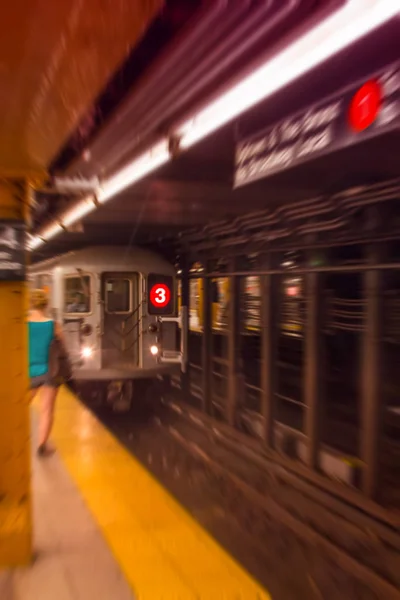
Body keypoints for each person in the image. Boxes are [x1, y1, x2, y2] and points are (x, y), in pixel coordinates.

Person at [28, 289, 63, 456]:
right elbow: (61, 344)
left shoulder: (23, 323)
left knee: (18, 408)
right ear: (45, 305)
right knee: (46, 410)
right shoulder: (53, 324)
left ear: (30, 303)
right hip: (50, 371)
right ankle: (42, 446)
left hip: (28, 371)